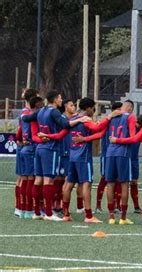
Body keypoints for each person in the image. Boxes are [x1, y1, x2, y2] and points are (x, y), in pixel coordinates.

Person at [22, 90, 90, 221]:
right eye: (60, 97)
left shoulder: (41, 111)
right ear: (55, 99)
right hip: (51, 148)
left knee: (38, 179)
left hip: (40, 148)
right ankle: (48, 213)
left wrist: (40, 132)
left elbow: (26, 118)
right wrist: (80, 119)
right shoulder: (54, 111)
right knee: (49, 180)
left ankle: (37, 212)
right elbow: (65, 124)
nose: (61, 100)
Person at [58, 98, 120, 223]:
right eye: (93, 109)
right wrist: (109, 117)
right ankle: (88, 216)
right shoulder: (86, 120)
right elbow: (97, 128)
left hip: (72, 156)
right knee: (86, 184)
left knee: (69, 184)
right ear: (88, 108)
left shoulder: (72, 119)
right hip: (83, 157)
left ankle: (65, 214)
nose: (93, 111)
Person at [104, 100, 136, 225]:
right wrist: (118, 140)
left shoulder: (112, 116)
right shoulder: (130, 117)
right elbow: (133, 138)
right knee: (124, 184)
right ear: (131, 109)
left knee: (110, 184)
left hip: (109, 153)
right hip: (123, 153)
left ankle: (111, 217)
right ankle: (123, 217)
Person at [95, 102, 123, 213]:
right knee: (105, 179)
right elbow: (99, 131)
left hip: (117, 154)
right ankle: (98, 205)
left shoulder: (121, 121)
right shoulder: (107, 121)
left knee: (118, 179)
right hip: (106, 155)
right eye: (120, 110)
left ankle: (116, 205)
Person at [16, 88, 39, 218]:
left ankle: (21, 208)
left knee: (23, 178)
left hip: (24, 147)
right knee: (30, 178)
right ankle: (27, 209)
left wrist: (19, 139)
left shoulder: (25, 112)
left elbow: (19, 130)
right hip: (30, 147)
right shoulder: (29, 113)